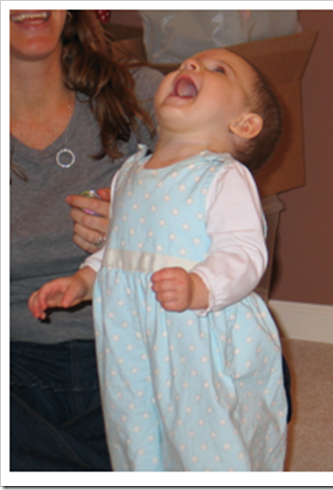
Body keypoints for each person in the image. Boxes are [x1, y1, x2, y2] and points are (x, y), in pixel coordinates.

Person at [28, 48, 288, 471]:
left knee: (206, 435)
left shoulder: (223, 176)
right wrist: (83, 281)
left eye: (218, 70)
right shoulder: (130, 173)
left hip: (197, 336)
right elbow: (120, 250)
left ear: (243, 124)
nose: (191, 66)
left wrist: (200, 285)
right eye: (187, 63)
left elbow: (244, 252)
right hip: (130, 336)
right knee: (134, 427)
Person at [10, 10, 162, 470]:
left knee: (254, 362)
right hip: (14, 365)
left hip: (136, 350)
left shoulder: (143, 94)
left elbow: (226, 210)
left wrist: (136, 227)